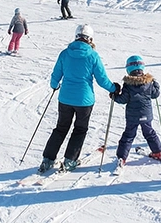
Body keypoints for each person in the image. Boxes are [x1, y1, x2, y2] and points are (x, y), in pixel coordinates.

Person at [38, 24, 120, 173]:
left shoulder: (65, 53)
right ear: (90, 39)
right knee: (80, 129)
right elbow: (102, 79)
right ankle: (70, 160)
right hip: (84, 100)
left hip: (65, 98)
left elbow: (56, 75)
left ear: (76, 37)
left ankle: (48, 159)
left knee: (61, 128)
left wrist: (54, 85)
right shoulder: (93, 55)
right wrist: (113, 88)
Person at [111, 56, 161, 169]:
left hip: (132, 116)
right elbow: (155, 94)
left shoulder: (128, 84)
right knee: (150, 133)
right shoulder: (149, 82)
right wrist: (156, 85)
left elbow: (123, 99)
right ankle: (158, 152)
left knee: (128, 135)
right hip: (146, 115)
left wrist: (114, 96)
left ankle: (122, 157)